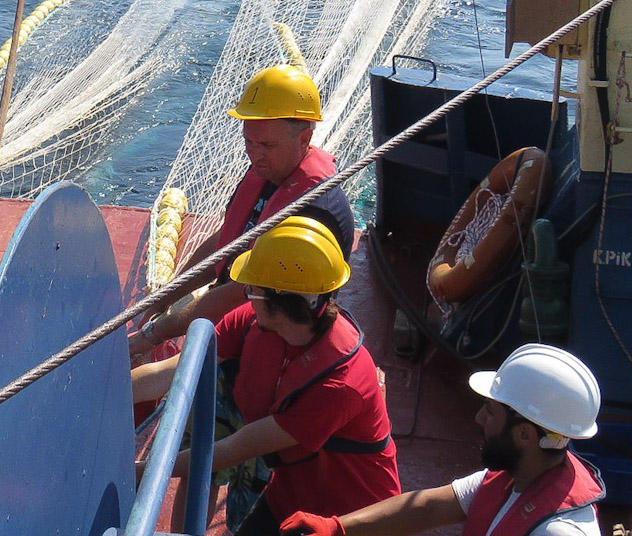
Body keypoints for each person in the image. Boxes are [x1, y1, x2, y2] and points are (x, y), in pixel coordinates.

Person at [131, 216, 399, 536]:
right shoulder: (255, 322)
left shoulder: (340, 383)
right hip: (288, 497)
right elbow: (173, 372)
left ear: (278, 303)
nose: (246, 293)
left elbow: (231, 450)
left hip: (347, 520)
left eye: (253, 289)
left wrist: (137, 472)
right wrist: (93, 393)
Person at [133, 65, 355, 352]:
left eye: (266, 144)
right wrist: (165, 297)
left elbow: (241, 295)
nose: (254, 153)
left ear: (304, 140)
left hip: (268, 330)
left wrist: (154, 332)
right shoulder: (267, 173)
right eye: (248, 141)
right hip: (231, 306)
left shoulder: (312, 210)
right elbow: (226, 242)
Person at [280, 344, 604, 536]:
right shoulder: (519, 473)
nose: (478, 419)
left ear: (525, 434)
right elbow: (428, 508)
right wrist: (337, 528)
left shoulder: (559, 531)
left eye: (490, 412)